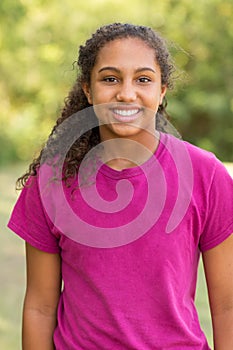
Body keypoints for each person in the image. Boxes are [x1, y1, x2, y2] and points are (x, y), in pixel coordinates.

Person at [8, 23, 233, 350]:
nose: (126, 93)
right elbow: (40, 308)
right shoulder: (51, 181)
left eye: (143, 79)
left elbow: (227, 305)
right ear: (88, 89)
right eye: (110, 79)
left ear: (162, 90)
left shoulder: (205, 175)